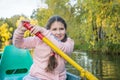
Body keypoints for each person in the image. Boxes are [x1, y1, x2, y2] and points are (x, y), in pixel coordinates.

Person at [13, 15, 74, 80]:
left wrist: (45, 32)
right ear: (48, 30)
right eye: (54, 29)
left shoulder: (68, 42)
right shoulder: (38, 40)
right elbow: (18, 44)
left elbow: (61, 49)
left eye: (61, 29)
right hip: (36, 77)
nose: (58, 32)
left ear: (65, 30)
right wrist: (20, 31)